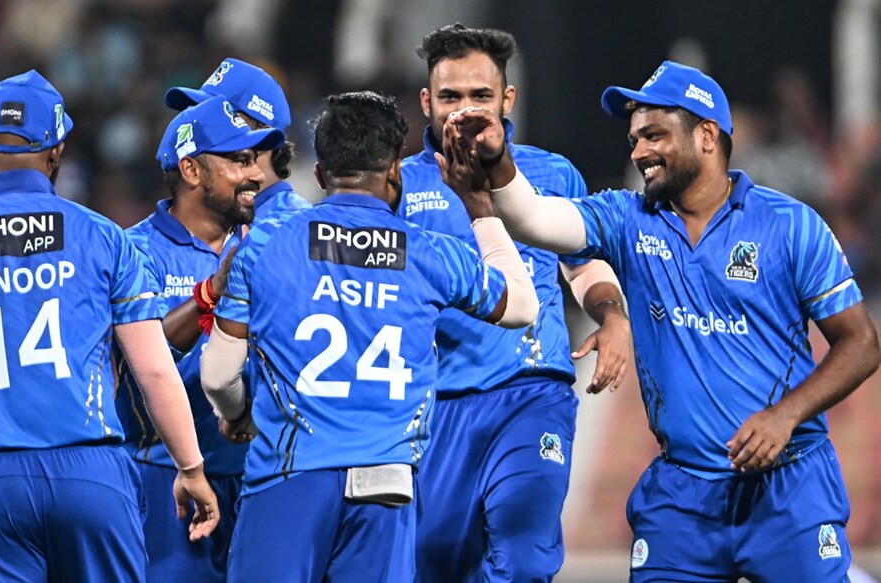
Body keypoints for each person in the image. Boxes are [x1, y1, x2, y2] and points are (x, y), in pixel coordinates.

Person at [443, 60, 881, 582]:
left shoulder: (791, 225)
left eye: (654, 135)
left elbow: (861, 343)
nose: (638, 152)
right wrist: (498, 159)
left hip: (789, 486)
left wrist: (785, 416)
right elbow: (533, 218)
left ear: (707, 135)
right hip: (682, 497)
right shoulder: (627, 219)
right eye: (634, 139)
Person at [0, 69, 220, 583]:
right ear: (58, 150)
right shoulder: (105, 237)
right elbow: (154, 370)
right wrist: (190, 467)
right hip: (93, 475)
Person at [201, 91, 540, 583]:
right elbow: (524, 306)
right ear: (395, 170)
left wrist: (238, 415)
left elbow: (217, 377)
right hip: (386, 481)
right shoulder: (430, 252)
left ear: (320, 174)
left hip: (290, 473)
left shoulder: (266, 244)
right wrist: (481, 209)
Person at [401, 24, 630, 582]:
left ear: (507, 99)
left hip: (532, 393)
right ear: (427, 102)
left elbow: (584, 264)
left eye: (480, 95)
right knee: (437, 564)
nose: (465, 110)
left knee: (524, 558)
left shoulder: (552, 172)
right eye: (451, 96)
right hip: (436, 406)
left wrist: (612, 316)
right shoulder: (396, 186)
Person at [117, 94, 283, 582]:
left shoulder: (270, 241)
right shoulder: (133, 250)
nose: (255, 176)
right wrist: (213, 291)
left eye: (254, 160)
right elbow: (140, 359)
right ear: (192, 170)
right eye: (238, 161)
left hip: (260, 475)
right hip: (165, 480)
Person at [159, 57, 312, 356]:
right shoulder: (181, 223)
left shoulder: (295, 226)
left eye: (219, 112)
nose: (198, 120)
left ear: (262, 132)